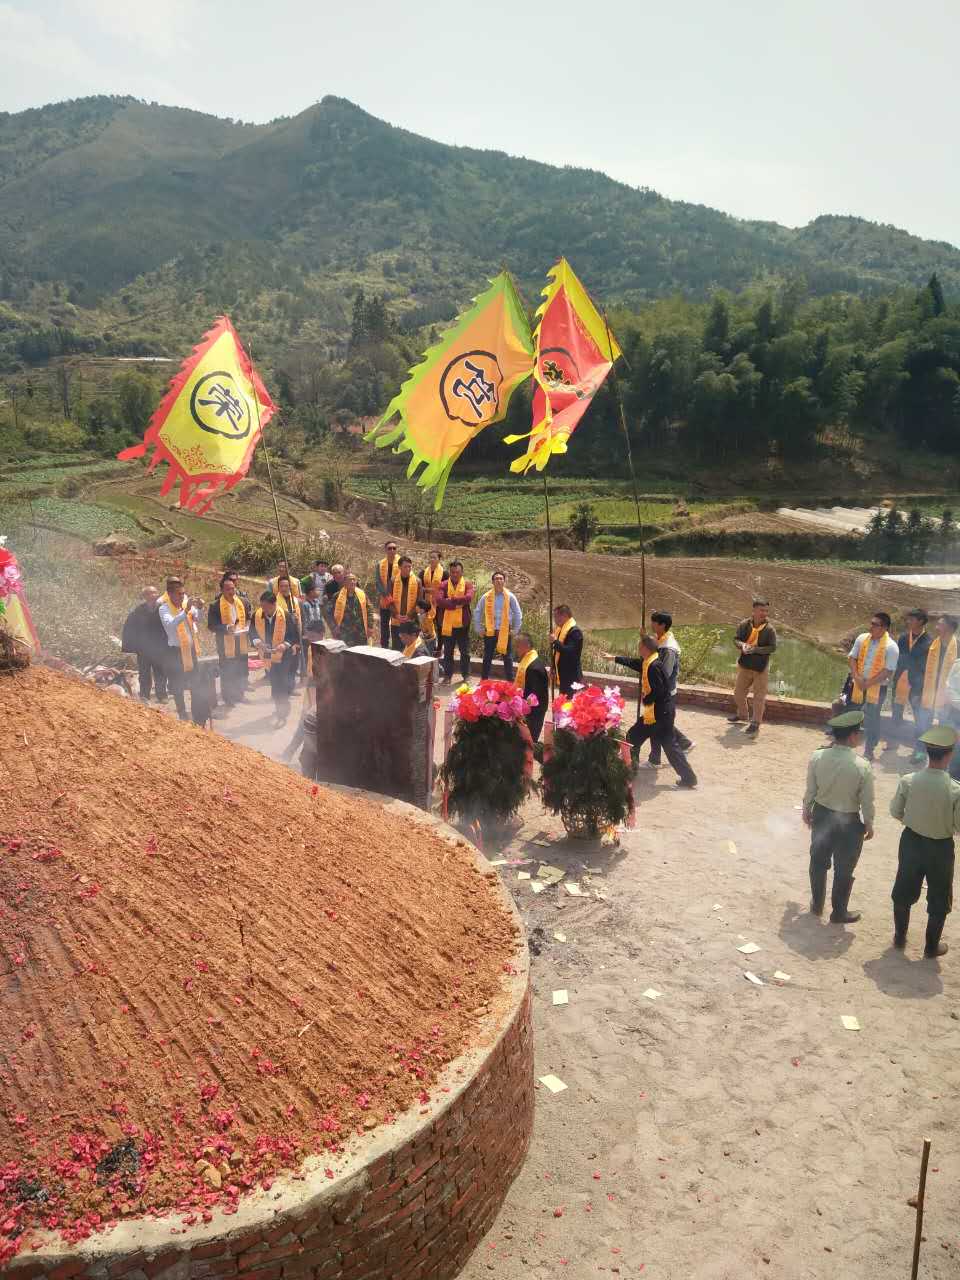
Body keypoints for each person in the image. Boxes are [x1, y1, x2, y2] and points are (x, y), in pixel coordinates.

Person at [889, 725, 960, 959]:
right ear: (949, 755)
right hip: (940, 847)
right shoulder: (955, 790)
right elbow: (958, 826)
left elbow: (895, 811)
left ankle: (899, 938)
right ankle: (931, 947)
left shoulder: (909, 780)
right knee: (939, 896)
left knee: (903, 889)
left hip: (911, 840)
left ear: (928, 753)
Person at [802, 709, 874, 923]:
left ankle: (816, 905)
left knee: (818, 860)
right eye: (858, 733)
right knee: (844, 867)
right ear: (852, 736)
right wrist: (869, 823)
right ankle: (839, 912)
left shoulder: (818, 756)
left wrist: (807, 809)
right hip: (848, 822)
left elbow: (811, 789)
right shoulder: (863, 766)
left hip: (822, 815)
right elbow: (866, 801)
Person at [608, 635, 698, 789]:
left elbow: (660, 689)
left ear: (645, 648)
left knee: (640, 740)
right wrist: (615, 658)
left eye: (639, 646)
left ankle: (628, 772)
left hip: (659, 714)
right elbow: (636, 664)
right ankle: (688, 778)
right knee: (655, 743)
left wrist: (647, 699)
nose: (638, 649)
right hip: (660, 712)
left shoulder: (654, 666)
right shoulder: (650, 662)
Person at [846, 611, 899, 762]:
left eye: (875, 625)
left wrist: (868, 683)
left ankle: (869, 749)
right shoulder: (862, 638)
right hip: (858, 684)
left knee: (872, 718)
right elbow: (852, 657)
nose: (871, 627)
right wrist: (856, 677)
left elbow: (888, 671)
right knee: (851, 712)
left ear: (885, 628)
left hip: (876, 688)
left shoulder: (891, 647)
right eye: (871, 623)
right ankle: (845, 744)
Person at [646, 610, 694, 767]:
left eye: (654, 622)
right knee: (659, 723)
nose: (651, 624)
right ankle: (682, 744)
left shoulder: (668, 649)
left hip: (664, 693)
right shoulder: (660, 640)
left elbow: (663, 673)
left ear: (662, 625)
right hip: (658, 692)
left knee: (657, 724)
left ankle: (656, 759)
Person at [728, 597, 777, 737]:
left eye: (766, 611)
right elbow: (736, 639)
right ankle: (743, 715)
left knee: (759, 697)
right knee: (738, 693)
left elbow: (772, 648)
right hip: (745, 664)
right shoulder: (744, 624)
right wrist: (742, 645)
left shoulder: (769, 629)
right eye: (761, 610)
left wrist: (755, 650)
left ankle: (755, 722)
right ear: (754, 610)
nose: (764, 613)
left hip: (761, 667)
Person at [158, 576, 204, 723]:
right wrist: (185, 611)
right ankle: (182, 713)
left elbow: (197, 618)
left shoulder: (185, 603)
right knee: (177, 685)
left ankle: (197, 712)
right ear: (170, 594)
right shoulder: (163, 608)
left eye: (183, 593)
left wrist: (199, 608)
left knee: (195, 682)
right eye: (179, 593)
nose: (182, 596)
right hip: (175, 652)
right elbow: (170, 625)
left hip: (190, 649)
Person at [913, 614, 959, 759]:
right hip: (929, 692)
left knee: (945, 728)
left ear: (950, 628)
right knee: (923, 723)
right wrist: (918, 690)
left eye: (940, 625)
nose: (936, 627)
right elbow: (921, 669)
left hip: (948, 697)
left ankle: (942, 757)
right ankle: (920, 751)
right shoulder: (932, 644)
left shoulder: (958, 646)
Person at [249, 590, 300, 718]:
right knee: (273, 679)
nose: (264, 609)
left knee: (281, 680)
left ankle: (282, 707)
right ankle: (279, 701)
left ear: (274, 604)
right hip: (266, 653)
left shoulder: (286, 616)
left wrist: (285, 644)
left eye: (267, 606)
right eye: (262, 606)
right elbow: (252, 631)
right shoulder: (257, 615)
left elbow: (293, 634)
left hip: (283, 654)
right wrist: (259, 642)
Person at [888, 608, 930, 745]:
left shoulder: (929, 642)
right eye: (908, 619)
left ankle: (919, 747)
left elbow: (927, 668)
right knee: (896, 711)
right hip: (900, 680)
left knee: (919, 716)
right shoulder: (904, 638)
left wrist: (921, 687)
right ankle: (893, 741)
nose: (908, 622)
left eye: (911, 619)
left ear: (921, 621)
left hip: (917, 685)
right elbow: (898, 659)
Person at [207, 574, 249, 706]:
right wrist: (226, 628)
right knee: (227, 670)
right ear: (222, 591)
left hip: (241, 640)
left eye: (233, 588)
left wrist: (247, 625)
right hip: (225, 643)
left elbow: (248, 618)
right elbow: (211, 625)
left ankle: (240, 694)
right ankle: (228, 697)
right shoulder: (215, 605)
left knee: (241, 669)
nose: (231, 592)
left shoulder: (243, 601)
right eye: (228, 589)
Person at [121, 586, 168, 704]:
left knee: (160, 672)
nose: (152, 595)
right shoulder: (138, 611)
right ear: (145, 596)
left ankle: (162, 696)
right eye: (149, 593)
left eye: (154, 592)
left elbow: (170, 626)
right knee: (144, 674)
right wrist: (131, 646)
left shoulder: (163, 609)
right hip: (144, 649)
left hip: (159, 647)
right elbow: (129, 628)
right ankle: (144, 696)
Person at [474, 570, 522, 679]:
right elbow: (478, 612)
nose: (499, 581)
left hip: (504, 631)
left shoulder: (510, 596)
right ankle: (484, 680)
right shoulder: (486, 597)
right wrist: (479, 628)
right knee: (487, 657)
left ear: (504, 581)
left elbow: (517, 613)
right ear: (492, 582)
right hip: (490, 631)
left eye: (501, 579)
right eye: (496, 579)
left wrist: (515, 630)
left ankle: (510, 681)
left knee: (508, 658)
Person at [435, 560, 474, 684]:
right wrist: (456, 605)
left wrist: (452, 599)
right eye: (452, 572)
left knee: (465, 651)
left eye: (457, 572)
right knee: (448, 651)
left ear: (462, 572)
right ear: (450, 573)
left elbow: (468, 598)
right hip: (447, 625)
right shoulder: (443, 584)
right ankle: (447, 676)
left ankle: (466, 675)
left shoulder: (467, 584)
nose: (455, 574)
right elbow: (439, 600)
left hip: (463, 624)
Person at [514, 632, 549, 742]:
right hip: (530, 708)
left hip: (534, 710)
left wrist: (523, 708)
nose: (516, 649)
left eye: (518, 646)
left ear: (527, 646)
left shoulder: (533, 668)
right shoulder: (529, 661)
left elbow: (535, 695)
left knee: (529, 739)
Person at [329, 572, 372, 648]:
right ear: (344, 582)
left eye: (354, 580)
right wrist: (334, 627)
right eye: (350, 580)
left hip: (360, 631)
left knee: (361, 653)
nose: (352, 582)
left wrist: (370, 627)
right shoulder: (337, 596)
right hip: (344, 631)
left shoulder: (362, 594)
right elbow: (330, 613)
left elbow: (369, 610)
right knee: (345, 654)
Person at [389, 555, 422, 651]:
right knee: (396, 648)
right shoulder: (393, 580)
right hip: (396, 621)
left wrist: (409, 615)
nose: (408, 569)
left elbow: (419, 601)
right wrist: (396, 615)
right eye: (405, 567)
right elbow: (389, 600)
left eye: (409, 566)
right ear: (399, 567)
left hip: (411, 621)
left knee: (412, 649)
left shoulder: (417, 581)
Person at [551, 605, 583, 697]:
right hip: (563, 675)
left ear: (564, 616)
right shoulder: (559, 630)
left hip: (572, 676)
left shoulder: (575, 632)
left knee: (571, 703)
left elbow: (570, 651)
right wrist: (553, 667)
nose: (555, 620)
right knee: (563, 701)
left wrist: (555, 641)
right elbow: (556, 652)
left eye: (556, 617)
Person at [374, 540, 400, 647]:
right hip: (384, 600)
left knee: (396, 625)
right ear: (385, 550)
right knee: (384, 625)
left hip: (398, 600)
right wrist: (386, 595)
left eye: (394, 548)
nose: (392, 550)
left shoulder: (401, 562)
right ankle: (384, 647)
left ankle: (396, 647)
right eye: (390, 548)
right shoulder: (380, 564)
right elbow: (378, 581)